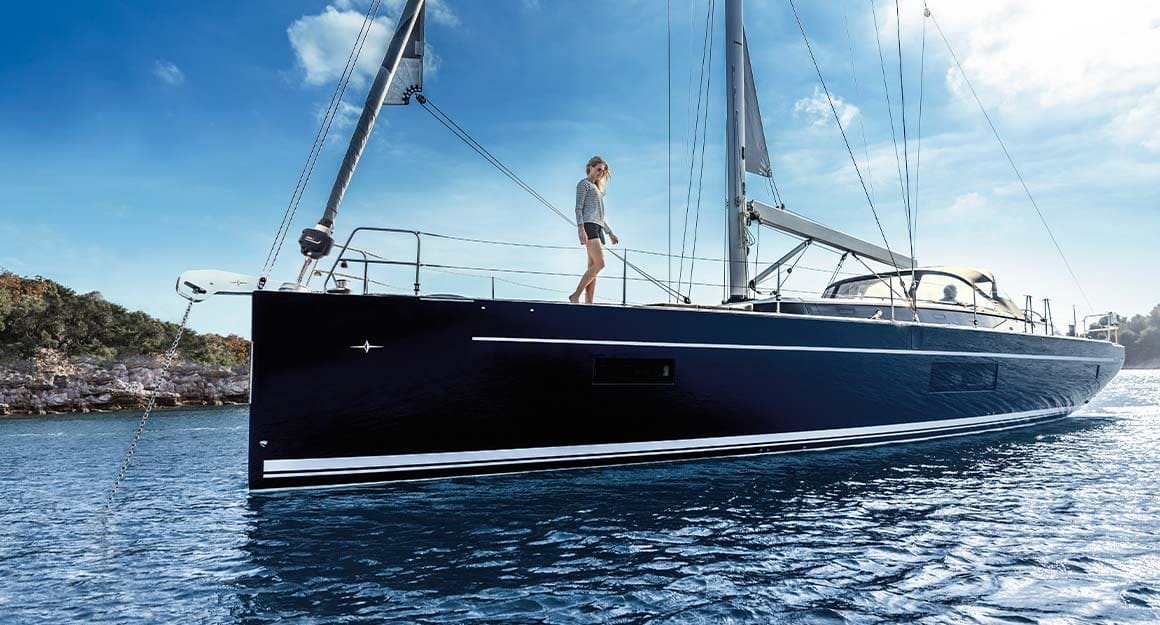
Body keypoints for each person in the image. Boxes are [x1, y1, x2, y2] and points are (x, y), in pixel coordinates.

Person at [568, 156, 619, 303]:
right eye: (598, 170)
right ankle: (575, 295)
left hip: (598, 228)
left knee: (593, 267)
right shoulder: (583, 184)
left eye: (603, 172)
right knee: (600, 264)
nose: (600, 173)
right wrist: (580, 229)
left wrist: (610, 233)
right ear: (590, 168)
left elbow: (600, 216)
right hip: (588, 226)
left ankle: (589, 302)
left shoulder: (597, 189)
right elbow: (578, 209)